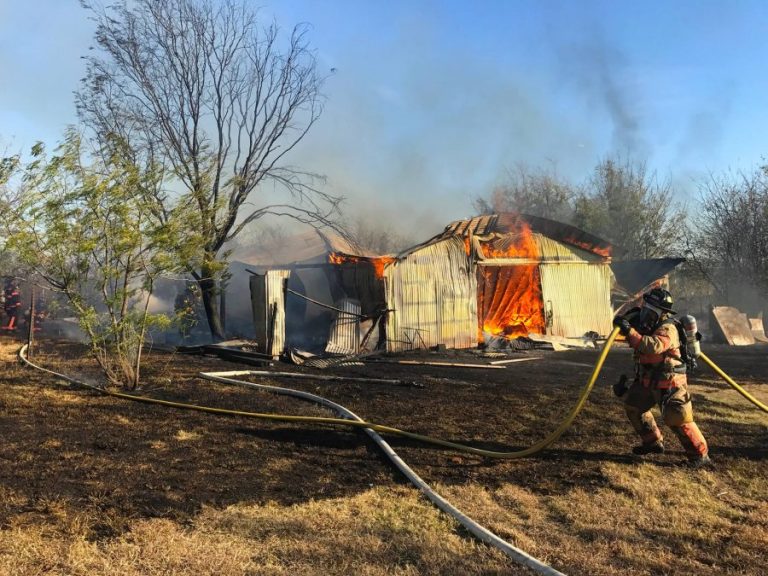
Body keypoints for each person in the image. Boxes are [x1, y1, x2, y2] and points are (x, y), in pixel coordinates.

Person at [613, 288, 712, 468]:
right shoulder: (646, 326)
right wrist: (625, 323)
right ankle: (653, 443)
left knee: (678, 418)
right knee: (633, 406)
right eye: (645, 308)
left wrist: (630, 332)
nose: (645, 314)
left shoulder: (668, 328)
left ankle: (700, 456)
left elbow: (653, 347)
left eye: (650, 311)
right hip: (648, 380)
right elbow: (636, 340)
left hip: (670, 382)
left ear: (661, 312)